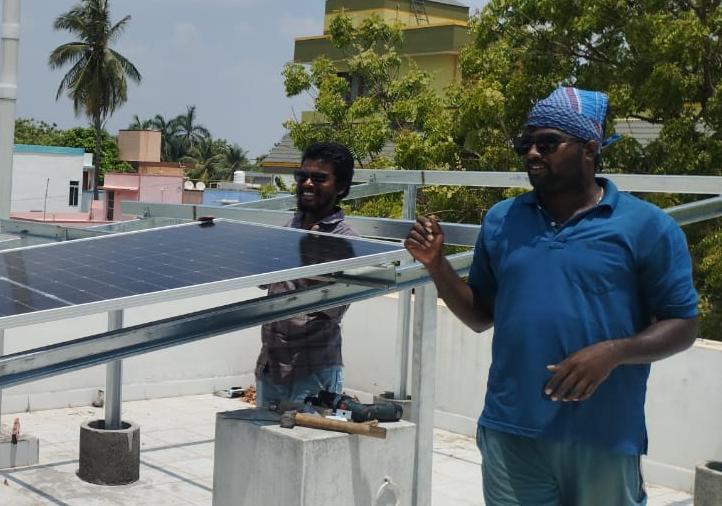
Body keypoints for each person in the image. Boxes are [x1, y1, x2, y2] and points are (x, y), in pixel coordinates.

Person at [404, 87, 699, 506]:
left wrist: (613, 352)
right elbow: (480, 315)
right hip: (511, 430)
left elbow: (684, 324)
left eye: (547, 143)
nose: (531, 153)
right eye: (525, 144)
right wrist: (437, 265)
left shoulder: (647, 226)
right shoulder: (502, 220)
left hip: (604, 434)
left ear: (589, 149)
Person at [254, 141, 359, 411]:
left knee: (311, 438)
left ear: (341, 188)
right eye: (302, 176)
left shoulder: (345, 239)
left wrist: (309, 256)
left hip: (313, 373)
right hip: (271, 365)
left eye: (319, 178)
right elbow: (263, 279)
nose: (307, 183)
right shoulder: (289, 227)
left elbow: (332, 306)